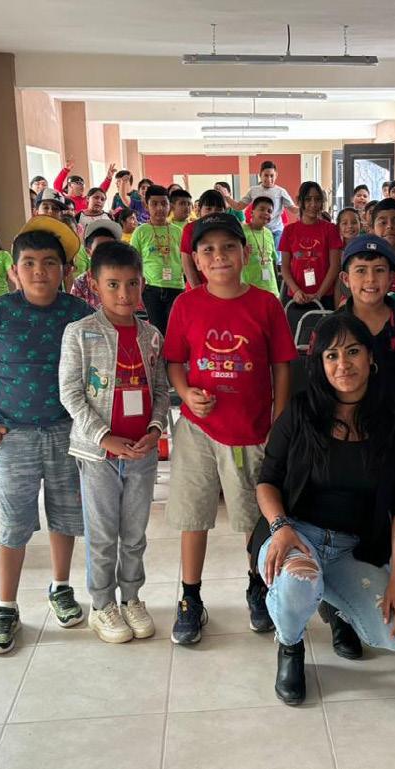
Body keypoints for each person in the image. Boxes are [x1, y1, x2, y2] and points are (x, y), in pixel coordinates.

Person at [255, 313, 395, 705]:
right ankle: (290, 644)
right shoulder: (301, 410)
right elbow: (266, 480)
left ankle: (334, 603)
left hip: (354, 548)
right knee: (299, 582)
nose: (343, 364)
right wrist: (280, 527)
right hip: (297, 535)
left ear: (371, 357)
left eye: (352, 352)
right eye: (331, 355)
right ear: (320, 363)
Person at [0, 216, 94, 654]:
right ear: (13, 271)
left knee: (66, 515)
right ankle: (6, 606)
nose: (39, 271)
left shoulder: (78, 313)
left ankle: (61, 587)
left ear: (65, 270)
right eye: (28, 263)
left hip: (67, 432)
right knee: (14, 523)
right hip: (13, 436)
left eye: (49, 263)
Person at [162, 213, 296, 645]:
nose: (218, 256)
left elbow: (282, 366)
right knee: (194, 516)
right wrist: (186, 393)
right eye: (208, 250)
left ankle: (257, 586)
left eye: (228, 247)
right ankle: (190, 597)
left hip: (251, 431)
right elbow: (175, 361)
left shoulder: (266, 304)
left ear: (245, 253)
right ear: (196, 260)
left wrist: (278, 420)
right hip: (198, 430)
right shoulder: (186, 305)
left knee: (252, 519)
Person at [59, 241, 169, 644]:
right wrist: (105, 437)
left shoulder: (152, 336)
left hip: (142, 453)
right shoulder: (80, 333)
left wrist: (155, 430)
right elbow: (70, 393)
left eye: (132, 284)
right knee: (103, 535)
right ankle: (102, 604)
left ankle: (132, 598)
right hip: (98, 455)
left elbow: (161, 390)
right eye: (113, 284)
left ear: (142, 284)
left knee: (135, 534)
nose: (124, 294)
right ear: (94, 285)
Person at [336, 235, 395, 401]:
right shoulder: (331, 327)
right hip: (347, 413)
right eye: (361, 270)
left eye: (379, 270)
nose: (371, 279)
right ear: (346, 279)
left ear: (392, 277)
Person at [128, 184, 183, 334]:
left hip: (176, 287)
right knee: (157, 330)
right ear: (146, 206)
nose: (160, 208)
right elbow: (134, 262)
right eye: (154, 204)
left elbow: (184, 260)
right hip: (151, 289)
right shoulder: (140, 232)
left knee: (175, 329)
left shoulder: (178, 232)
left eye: (164, 203)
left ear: (170, 206)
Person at [280, 181, 343, 311]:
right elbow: (285, 267)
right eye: (308, 199)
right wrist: (296, 291)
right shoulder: (289, 231)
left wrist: (319, 294)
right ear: (299, 201)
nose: (313, 204)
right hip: (296, 297)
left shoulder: (330, 229)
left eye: (317, 199)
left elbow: (335, 266)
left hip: (325, 296)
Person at [225, 161, 298, 249]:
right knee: (260, 255)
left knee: (275, 257)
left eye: (272, 176)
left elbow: (293, 209)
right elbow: (239, 206)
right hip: (258, 231)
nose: (269, 179)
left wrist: (306, 208)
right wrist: (226, 196)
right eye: (266, 175)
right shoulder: (253, 190)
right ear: (260, 175)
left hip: (275, 231)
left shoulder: (280, 191)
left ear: (276, 175)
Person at [69, 218, 124, 309]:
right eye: (99, 248)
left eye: (111, 247)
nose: (106, 252)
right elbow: (75, 312)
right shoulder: (81, 283)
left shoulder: (124, 278)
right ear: (88, 252)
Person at [180, 189, 228, 289]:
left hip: (225, 288)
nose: (213, 213)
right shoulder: (190, 229)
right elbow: (187, 265)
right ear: (199, 210)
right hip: (197, 288)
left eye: (219, 209)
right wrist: (199, 292)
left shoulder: (229, 230)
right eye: (208, 209)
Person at [242, 196, 280, 295]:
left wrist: (277, 286)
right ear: (252, 212)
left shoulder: (269, 233)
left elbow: (273, 260)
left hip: (271, 290)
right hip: (250, 290)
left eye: (269, 211)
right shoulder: (242, 232)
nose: (266, 213)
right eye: (262, 209)